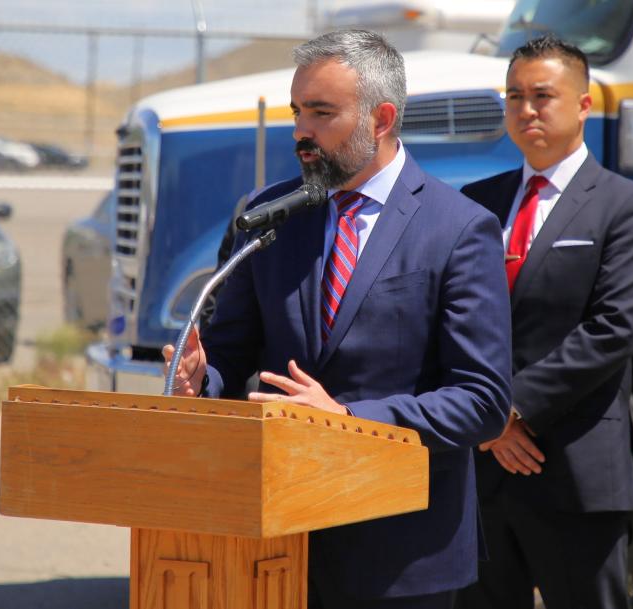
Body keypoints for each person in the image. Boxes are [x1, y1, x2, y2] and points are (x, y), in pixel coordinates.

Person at [163, 29, 512, 609]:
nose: (301, 129)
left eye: (322, 113)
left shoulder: (457, 229)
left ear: (381, 117)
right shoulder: (268, 216)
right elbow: (228, 354)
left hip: (402, 553)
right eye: (297, 111)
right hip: (279, 543)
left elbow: (481, 400)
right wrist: (200, 381)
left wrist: (348, 419)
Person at [454, 36, 633, 609]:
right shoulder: (475, 205)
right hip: (481, 469)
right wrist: (485, 423)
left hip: (575, 473)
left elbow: (613, 330)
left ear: (583, 105)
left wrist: (508, 408)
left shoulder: (627, 208)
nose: (527, 110)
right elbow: (451, 321)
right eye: (515, 96)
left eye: (543, 95)